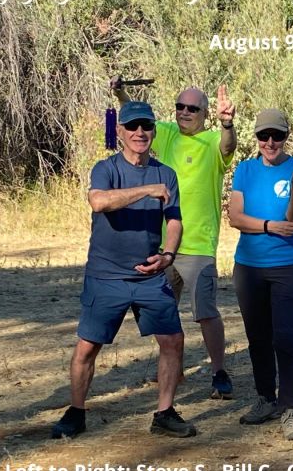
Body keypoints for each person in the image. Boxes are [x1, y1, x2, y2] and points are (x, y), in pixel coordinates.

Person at [52, 101, 196, 439]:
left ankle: (164, 413)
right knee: (88, 346)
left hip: (150, 276)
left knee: (173, 340)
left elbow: (174, 220)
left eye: (146, 126)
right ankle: (76, 412)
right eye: (132, 126)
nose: (139, 133)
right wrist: (145, 190)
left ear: (154, 131)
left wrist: (168, 255)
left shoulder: (166, 174)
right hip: (106, 275)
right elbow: (99, 202)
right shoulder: (106, 168)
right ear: (119, 131)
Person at [114, 83, 237, 399]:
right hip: (164, 245)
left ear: (205, 113)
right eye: (180, 106)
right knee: (159, 310)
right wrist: (121, 95)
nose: (184, 112)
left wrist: (227, 124)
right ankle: (173, 367)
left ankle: (219, 373)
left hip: (199, 246)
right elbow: (137, 121)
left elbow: (227, 147)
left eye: (192, 108)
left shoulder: (212, 140)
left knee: (205, 312)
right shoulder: (167, 134)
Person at [228, 109, 293, 440]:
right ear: (256, 137)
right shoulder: (245, 170)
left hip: (290, 266)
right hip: (249, 267)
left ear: (286, 137)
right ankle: (266, 398)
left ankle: (291, 408)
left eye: (277, 136)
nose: (269, 142)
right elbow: (235, 217)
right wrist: (269, 226)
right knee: (258, 337)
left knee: (287, 338)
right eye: (263, 136)